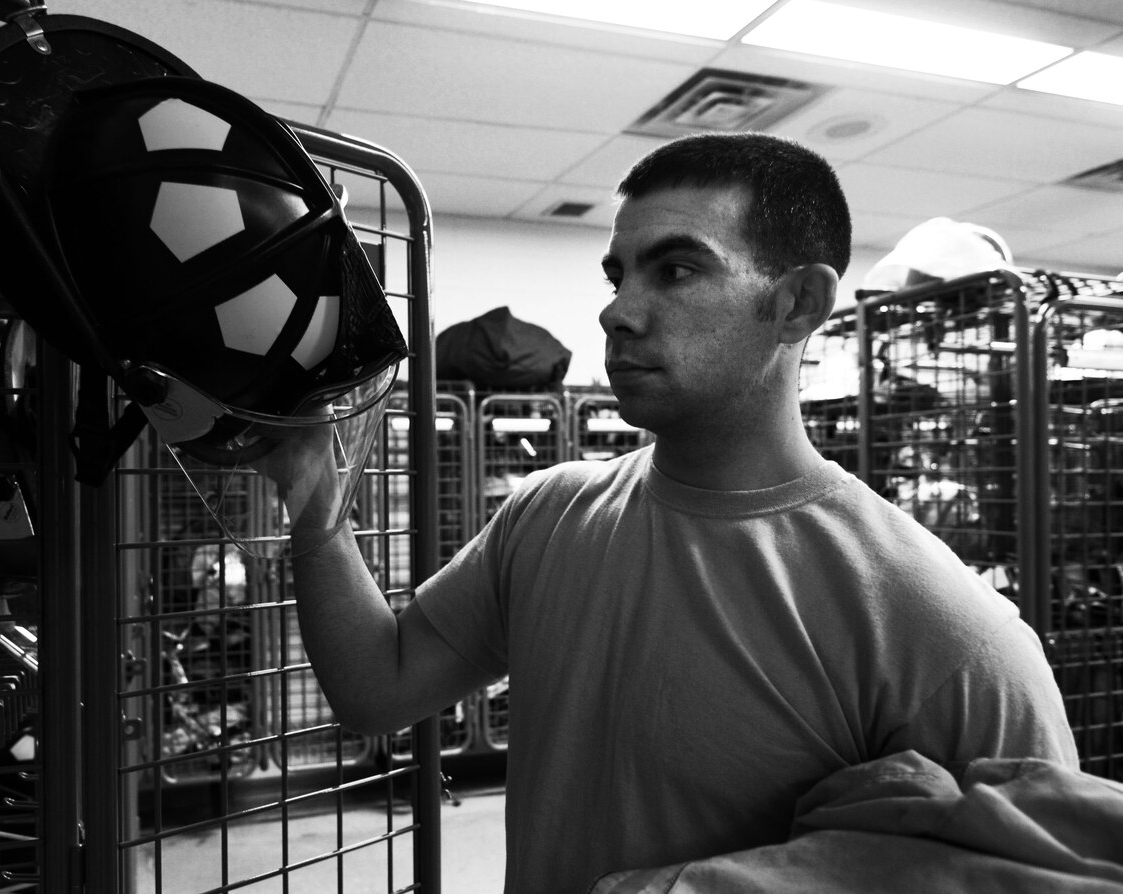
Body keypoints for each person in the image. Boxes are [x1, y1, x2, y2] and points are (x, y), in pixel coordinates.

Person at [257, 132, 1078, 894]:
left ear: (798, 303)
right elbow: (379, 688)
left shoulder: (946, 636)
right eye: (617, 276)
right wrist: (312, 490)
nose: (617, 310)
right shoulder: (548, 513)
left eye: (677, 270)